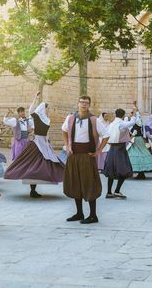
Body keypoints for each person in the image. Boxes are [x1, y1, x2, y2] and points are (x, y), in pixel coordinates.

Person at [4, 92, 65, 198]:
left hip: (45, 144)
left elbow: (46, 133)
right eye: (47, 108)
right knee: (33, 165)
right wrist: (35, 99)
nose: (48, 110)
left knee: (49, 164)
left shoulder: (47, 119)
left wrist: (48, 142)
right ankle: (33, 190)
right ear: (43, 109)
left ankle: (46, 181)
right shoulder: (36, 117)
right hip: (36, 144)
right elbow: (31, 110)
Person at [61, 96, 103, 224]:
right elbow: (64, 131)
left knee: (89, 184)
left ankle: (93, 215)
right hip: (73, 156)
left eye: (86, 103)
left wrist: (98, 151)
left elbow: (106, 135)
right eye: (82, 102)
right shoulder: (70, 118)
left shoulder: (94, 119)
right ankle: (79, 213)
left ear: (89, 105)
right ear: (78, 104)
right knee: (75, 183)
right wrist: (67, 146)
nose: (84, 105)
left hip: (86, 156)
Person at [96, 107, 136, 199]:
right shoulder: (121, 124)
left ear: (115, 115)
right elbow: (132, 122)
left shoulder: (112, 124)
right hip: (120, 149)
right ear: (122, 115)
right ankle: (117, 191)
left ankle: (109, 192)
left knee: (111, 170)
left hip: (112, 149)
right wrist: (133, 115)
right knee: (124, 169)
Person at [126, 105, 152, 179]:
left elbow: (134, 129)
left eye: (132, 113)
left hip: (136, 140)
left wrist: (135, 111)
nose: (131, 114)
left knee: (136, 154)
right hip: (138, 139)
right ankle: (139, 173)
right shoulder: (138, 121)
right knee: (140, 154)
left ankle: (139, 172)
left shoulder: (136, 121)